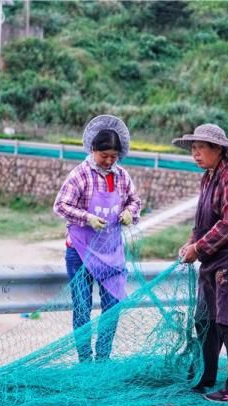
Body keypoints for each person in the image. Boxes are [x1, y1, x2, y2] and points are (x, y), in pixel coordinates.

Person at [172, 123, 228, 404]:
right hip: (212, 255)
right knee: (204, 318)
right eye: (193, 149)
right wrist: (190, 243)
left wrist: (199, 248)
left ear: (218, 150)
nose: (195, 154)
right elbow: (202, 221)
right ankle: (205, 378)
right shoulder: (208, 177)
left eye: (201, 149)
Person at [54, 114, 141, 362]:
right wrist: (86, 217)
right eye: (104, 156)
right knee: (81, 307)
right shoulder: (80, 174)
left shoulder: (122, 176)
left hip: (111, 253)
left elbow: (135, 201)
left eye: (114, 156)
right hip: (80, 252)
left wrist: (128, 213)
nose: (109, 161)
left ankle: (103, 357)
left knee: (112, 306)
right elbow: (60, 205)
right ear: (93, 150)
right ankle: (85, 359)